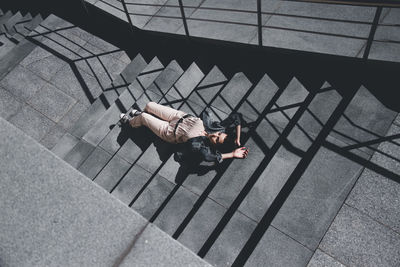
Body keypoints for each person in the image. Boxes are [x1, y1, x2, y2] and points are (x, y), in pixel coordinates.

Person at [120, 102, 249, 164]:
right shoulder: (216, 128)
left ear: (214, 145)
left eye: (216, 140)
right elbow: (236, 117)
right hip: (179, 116)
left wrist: (232, 154)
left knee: (144, 118)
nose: (215, 135)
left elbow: (209, 157)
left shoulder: (201, 146)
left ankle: (129, 122)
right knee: (149, 105)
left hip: (170, 132)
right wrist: (237, 138)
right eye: (220, 134)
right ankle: (140, 114)